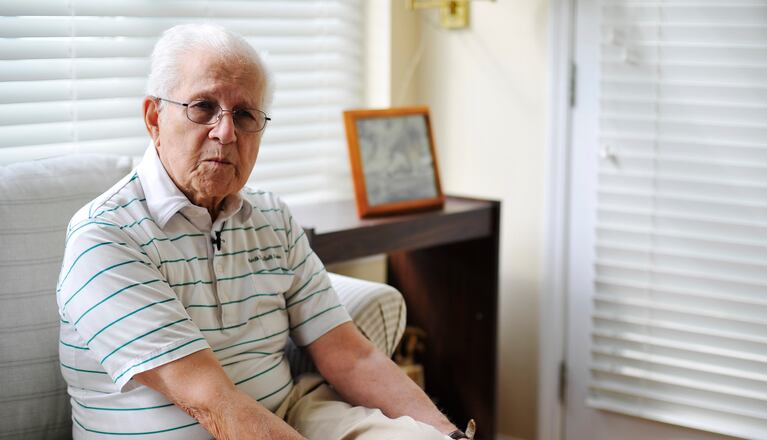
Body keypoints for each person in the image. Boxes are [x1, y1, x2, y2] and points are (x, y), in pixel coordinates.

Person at [56, 23, 473, 440]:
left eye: (244, 114)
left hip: (293, 413)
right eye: (202, 106)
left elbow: (351, 356)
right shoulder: (106, 237)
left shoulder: (270, 216)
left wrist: (446, 433)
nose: (226, 132)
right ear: (154, 118)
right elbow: (214, 405)